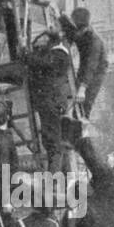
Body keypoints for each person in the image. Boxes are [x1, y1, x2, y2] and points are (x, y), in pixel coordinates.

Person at [26, 25, 75, 169]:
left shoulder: (59, 55)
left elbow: (41, 62)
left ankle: (53, 179)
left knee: (52, 141)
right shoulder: (58, 54)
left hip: (50, 102)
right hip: (52, 102)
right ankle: (58, 177)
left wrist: (26, 53)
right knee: (52, 140)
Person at [59, 6, 108, 117]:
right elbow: (70, 30)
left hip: (96, 72)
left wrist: (83, 88)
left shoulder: (95, 42)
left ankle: (80, 128)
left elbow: (91, 66)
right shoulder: (79, 29)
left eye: (78, 31)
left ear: (84, 28)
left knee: (83, 105)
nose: (76, 34)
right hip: (84, 66)